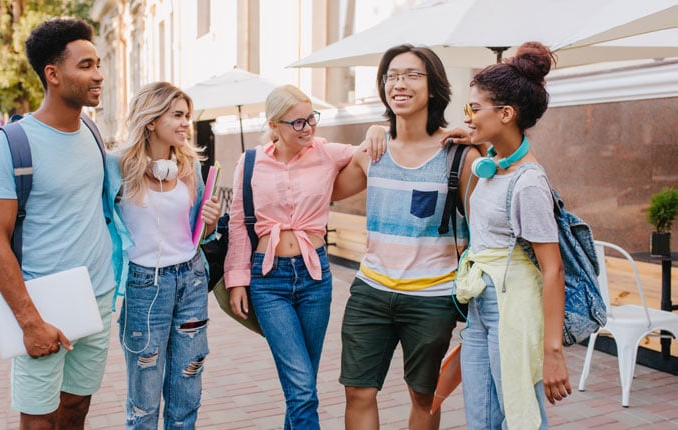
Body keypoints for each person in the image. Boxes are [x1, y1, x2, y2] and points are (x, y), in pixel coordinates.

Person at [330, 44, 480, 430]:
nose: (399, 83)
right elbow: (322, 188)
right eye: (392, 76)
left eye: (412, 75)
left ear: (434, 88)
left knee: (424, 396)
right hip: (371, 291)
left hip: (432, 298)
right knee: (358, 391)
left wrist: (485, 142)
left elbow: (495, 210)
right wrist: (367, 133)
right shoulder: (372, 153)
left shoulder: (458, 155)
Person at [0, 18, 116, 429]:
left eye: (98, 63)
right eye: (86, 65)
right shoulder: (12, 143)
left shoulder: (92, 132)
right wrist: (30, 322)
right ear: (53, 75)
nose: (98, 74)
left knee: (76, 407)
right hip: (43, 304)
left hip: (99, 296)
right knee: (39, 418)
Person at [224, 84, 383, 429]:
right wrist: (237, 280)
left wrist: (375, 128)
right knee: (301, 389)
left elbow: (365, 152)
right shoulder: (250, 162)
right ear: (274, 125)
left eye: (311, 119)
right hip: (269, 283)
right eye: (297, 123)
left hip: (315, 279)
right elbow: (238, 221)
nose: (308, 128)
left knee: (303, 385)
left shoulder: (325, 152)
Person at [453, 41, 571, 429]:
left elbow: (553, 269)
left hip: (511, 307)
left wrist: (552, 353)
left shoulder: (528, 183)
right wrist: (471, 134)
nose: (468, 116)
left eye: (474, 108)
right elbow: (490, 142)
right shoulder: (494, 161)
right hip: (480, 304)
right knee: (481, 418)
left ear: (506, 113)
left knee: (519, 416)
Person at [111, 81, 221, 429]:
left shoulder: (191, 168)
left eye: (187, 116)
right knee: (143, 402)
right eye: (177, 115)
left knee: (187, 391)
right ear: (151, 119)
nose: (186, 123)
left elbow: (198, 235)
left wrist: (209, 222)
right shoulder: (117, 167)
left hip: (190, 280)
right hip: (145, 287)